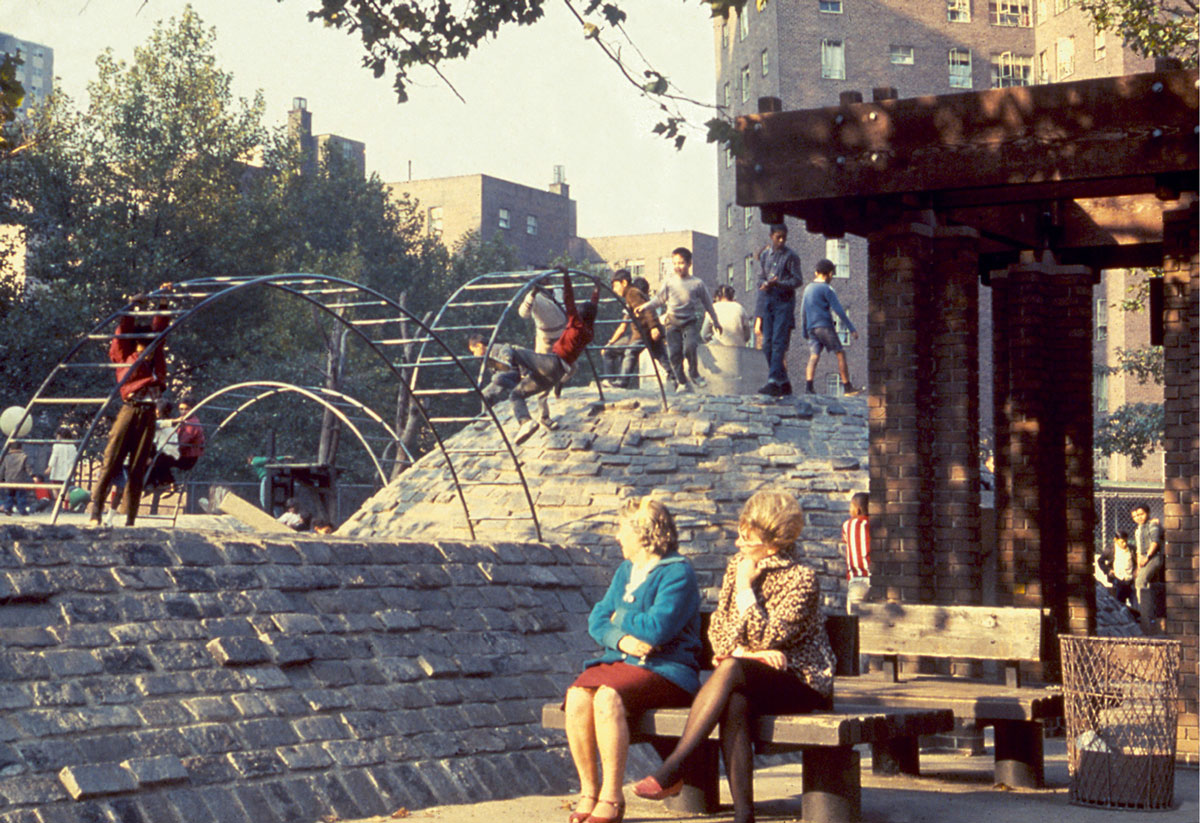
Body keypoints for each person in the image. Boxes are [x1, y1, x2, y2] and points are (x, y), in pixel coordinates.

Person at [633, 490, 834, 823]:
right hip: (748, 673)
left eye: (748, 539)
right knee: (735, 697)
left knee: (731, 672)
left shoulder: (802, 578)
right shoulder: (736, 567)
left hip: (799, 680)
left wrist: (745, 589)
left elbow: (770, 636)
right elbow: (718, 633)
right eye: (739, 534)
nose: (739, 544)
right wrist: (742, 652)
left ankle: (674, 768)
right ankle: (744, 815)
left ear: (773, 546)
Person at [565, 498, 702, 823]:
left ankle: (612, 797)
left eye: (622, 529)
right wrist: (622, 638)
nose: (617, 537)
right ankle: (589, 792)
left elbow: (657, 629)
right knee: (576, 697)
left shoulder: (677, 573)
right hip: (624, 663)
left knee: (608, 697)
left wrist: (619, 614)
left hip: (668, 671)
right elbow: (597, 619)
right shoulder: (626, 570)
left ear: (644, 534)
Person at [470, 270, 600, 444]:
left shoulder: (575, 323)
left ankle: (507, 362)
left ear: (579, 314)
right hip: (556, 374)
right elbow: (593, 306)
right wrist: (597, 288)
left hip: (552, 362)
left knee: (513, 350)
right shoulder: (589, 331)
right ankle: (526, 422)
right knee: (516, 395)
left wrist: (566, 275)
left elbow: (569, 299)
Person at [90, 291, 170, 526]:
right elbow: (123, 331)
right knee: (111, 460)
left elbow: (161, 330)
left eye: (153, 348)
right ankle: (95, 512)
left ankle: (131, 519)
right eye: (146, 347)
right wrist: (132, 307)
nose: (151, 351)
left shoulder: (155, 359)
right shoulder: (126, 355)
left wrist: (163, 302)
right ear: (137, 344)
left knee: (138, 467)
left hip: (147, 414)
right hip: (130, 408)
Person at [642, 248, 722, 393]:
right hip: (672, 322)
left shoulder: (697, 283)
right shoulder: (669, 282)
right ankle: (682, 381)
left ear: (689, 263)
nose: (678, 266)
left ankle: (694, 373)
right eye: (675, 263)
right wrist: (645, 306)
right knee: (674, 353)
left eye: (681, 263)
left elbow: (708, 304)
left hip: (689, 322)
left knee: (690, 347)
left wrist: (716, 321)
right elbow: (659, 300)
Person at [756, 224, 804, 397]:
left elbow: (798, 280)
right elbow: (761, 277)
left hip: (784, 303)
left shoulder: (791, 256)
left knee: (778, 343)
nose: (782, 240)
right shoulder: (765, 256)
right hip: (769, 301)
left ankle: (773, 381)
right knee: (767, 343)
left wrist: (779, 283)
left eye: (784, 237)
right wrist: (763, 284)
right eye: (778, 237)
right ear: (771, 236)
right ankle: (783, 382)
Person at [799, 258, 859, 396]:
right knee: (840, 353)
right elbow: (839, 311)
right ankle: (847, 387)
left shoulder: (808, 288)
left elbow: (803, 311)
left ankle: (809, 388)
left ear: (816, 272)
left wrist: (804, 331)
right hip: (824, 326)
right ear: (830, 274)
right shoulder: (827, 289)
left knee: (814, 356)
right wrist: (852, 329)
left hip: (811, 328)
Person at [602, 269, 670, 389]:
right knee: (660, 356)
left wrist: (654, 327)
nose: (614, 290)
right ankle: (675, 377)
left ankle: (621, 382)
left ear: (624, 283)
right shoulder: (630, 295)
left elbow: (647, 309)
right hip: (642, 332)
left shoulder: (632, 293)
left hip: (643, 332)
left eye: (615, 286)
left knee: (630, 352)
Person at [519, 282, 568, 427]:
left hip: (562, 338)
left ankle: (560, 382)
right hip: (545, 342)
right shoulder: (534, 297)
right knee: (544, 377)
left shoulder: (558, 290)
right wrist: (533, 294)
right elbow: (523, 313)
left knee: (572, 367)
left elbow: (566, 309)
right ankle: (544, 416)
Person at [1131, 505, 1166, 634]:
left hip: (1153, 558)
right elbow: (1139, 549)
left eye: (1141, 514)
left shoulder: (1152, 525)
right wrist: (1138, 566)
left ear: (1148, 513)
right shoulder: (1138, 530)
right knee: (1151, 585)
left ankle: (1143, 612)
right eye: (1135, 516)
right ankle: (1152, 614)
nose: (1138, 518)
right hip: (1144, 560)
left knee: (1140, 582)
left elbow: (1155, 543)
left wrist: (1147, 556)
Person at [1097, 529, 1138, 616]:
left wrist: (1136, 571)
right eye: (1122, 542)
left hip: (1130, 580)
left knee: (1135, 603)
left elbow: (1137, 561)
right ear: (1115, 540)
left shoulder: (1131, 549)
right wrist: (1108, 571)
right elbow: (1100, 561)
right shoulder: (1110, 550)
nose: (1125, 544)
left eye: (1126, 541)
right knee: (1119, 603)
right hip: (1118, 580)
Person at [842, 492, 870, 613]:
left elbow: (846, 540)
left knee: (854, 618)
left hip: (858, 579)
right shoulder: (872, 524)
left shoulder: (848, 525)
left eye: (851, 507)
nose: (849, 510)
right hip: (876, 579)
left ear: (857, 510)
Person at [0, 442, 33, 515]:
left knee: (9, 495)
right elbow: (28, 467)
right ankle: (22, 510)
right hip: (20, 480)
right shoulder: (24, 456)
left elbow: (2, 469)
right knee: (21, 495)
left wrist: (1, 478)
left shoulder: (6, 457)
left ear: (11, 448)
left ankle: (7, 508)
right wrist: (32, 475)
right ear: (21, 448)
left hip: (9, 480)